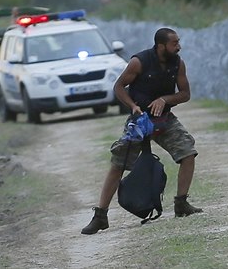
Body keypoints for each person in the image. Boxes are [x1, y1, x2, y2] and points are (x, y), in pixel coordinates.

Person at [81, 27, 202, 235]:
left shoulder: (178, 64)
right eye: (174, 43)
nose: (179, 46)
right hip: (140, 120)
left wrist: (165, 99)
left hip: (164, 119)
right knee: (118, 163)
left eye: (178, 42)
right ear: (161, 45)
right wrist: (133, 106)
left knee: (188, 153)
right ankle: (100, 215)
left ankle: (181, 204)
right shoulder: (139, 62)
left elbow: (185, 94)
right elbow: (119, 87)